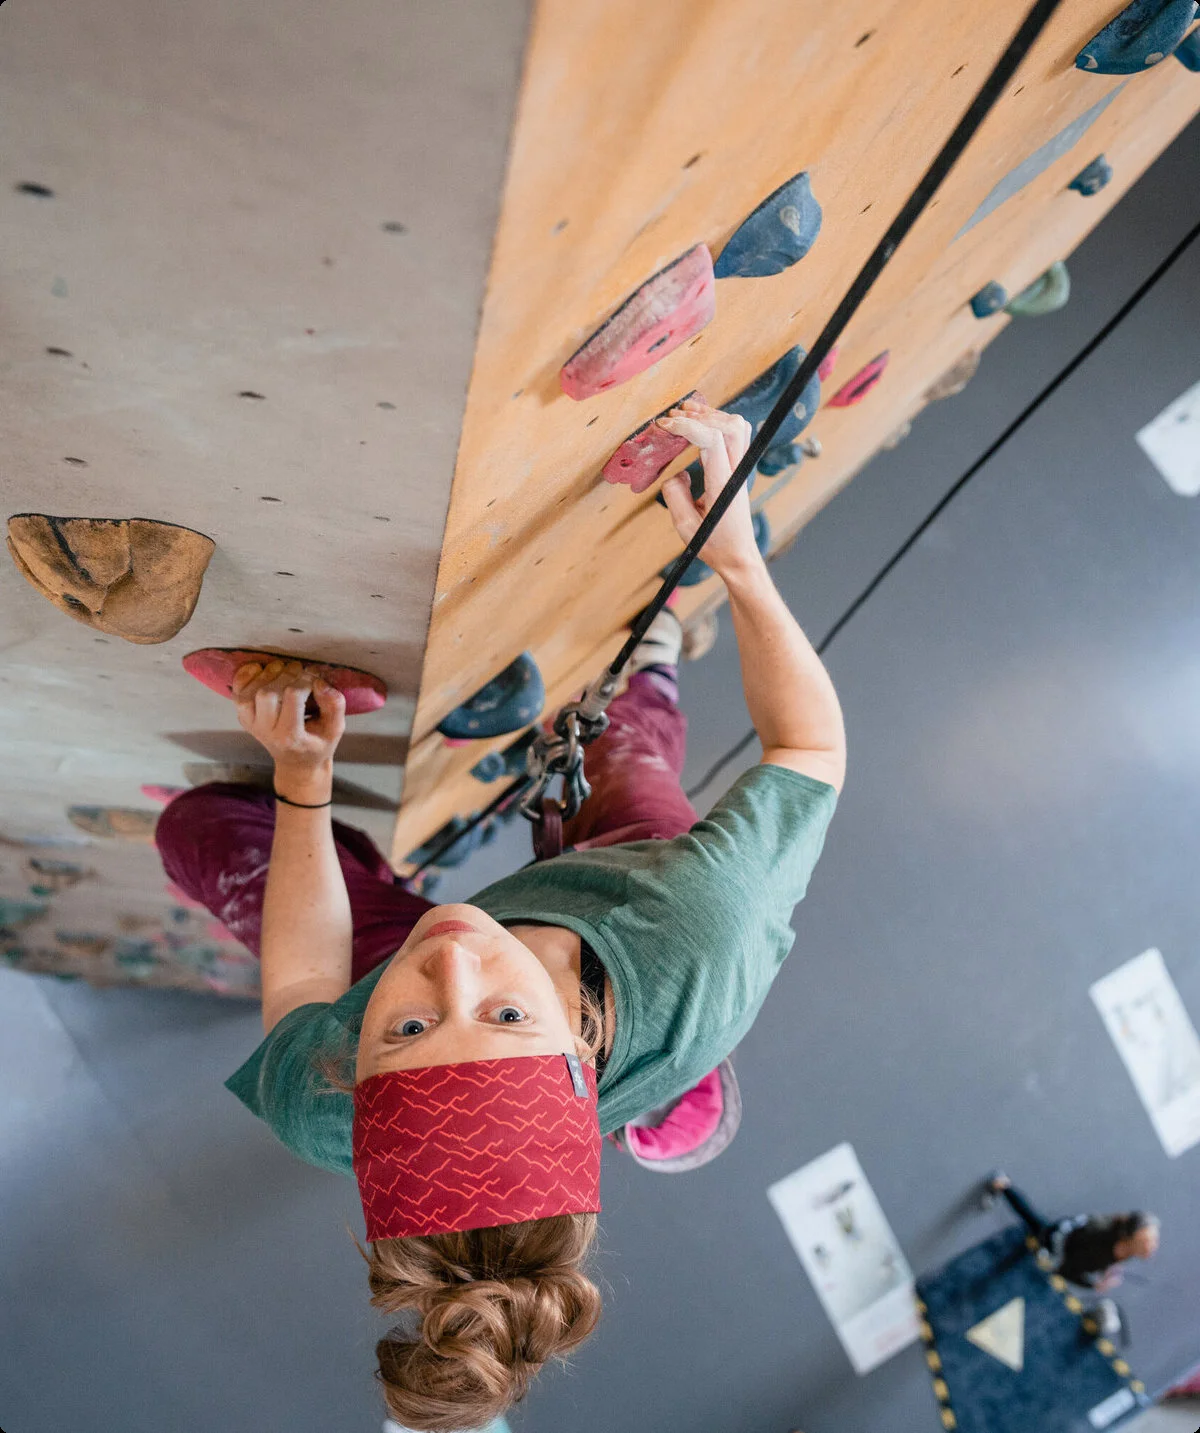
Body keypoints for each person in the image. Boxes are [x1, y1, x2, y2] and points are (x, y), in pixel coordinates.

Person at [155, 399, 847, 1431]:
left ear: (356, 1075)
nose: (454, 965)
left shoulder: (325, 1103)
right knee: (622, 753)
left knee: (200, 829)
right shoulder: (702, 929)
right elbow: (808, 752)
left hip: (519, 1010)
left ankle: (418, 939)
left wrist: (306, 778)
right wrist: (741, 558)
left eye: (408, 1027)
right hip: (628, 893)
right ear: (583, 1041)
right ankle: (652, 683)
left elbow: (305, 981)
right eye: (510, 1019)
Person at [984, 1172, 1160, 1339]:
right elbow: (1065, 1269)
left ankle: (1004, 1187)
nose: (1152, 1247)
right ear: (1128, 1240)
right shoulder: (1099, 1249)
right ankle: (1002, 1184)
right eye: (1146, 1242)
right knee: (1033, 1221)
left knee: (1034, 1223)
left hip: (1071, 1233)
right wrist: (1095, 1285)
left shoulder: (1124, 1247)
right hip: (1058, 1240)